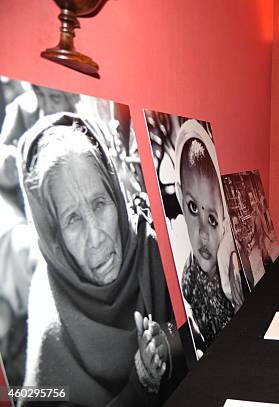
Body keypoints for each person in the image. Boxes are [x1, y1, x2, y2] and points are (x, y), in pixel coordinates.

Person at [19, 113, 180, 406]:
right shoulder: (50, 321)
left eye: (100, 203)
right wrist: (141, 383)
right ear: (54, 237)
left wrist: (169, 343)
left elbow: (203, 333)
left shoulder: (150, 251)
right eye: (73, 220)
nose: (96, 237)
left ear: (116, 197)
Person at [174, 121, 244, 355]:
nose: (203, 233)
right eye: (194, 207)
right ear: (181, 199)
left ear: (224, 220)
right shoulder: (188, 277)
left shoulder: (231, 271)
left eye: (212, 219)